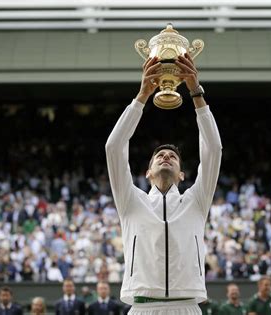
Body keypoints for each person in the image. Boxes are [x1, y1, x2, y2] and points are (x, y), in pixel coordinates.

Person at [105, 52, 222, 315]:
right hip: (142, 307)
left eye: (173, 157)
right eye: (160, 156)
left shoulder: (197, 200)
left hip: (187, 306)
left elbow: (213, 149)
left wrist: (196, 92)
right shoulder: (130, 200)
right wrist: (142, 96)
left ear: (182, 175)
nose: (166, 157)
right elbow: (113, 147)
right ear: (147, 172)